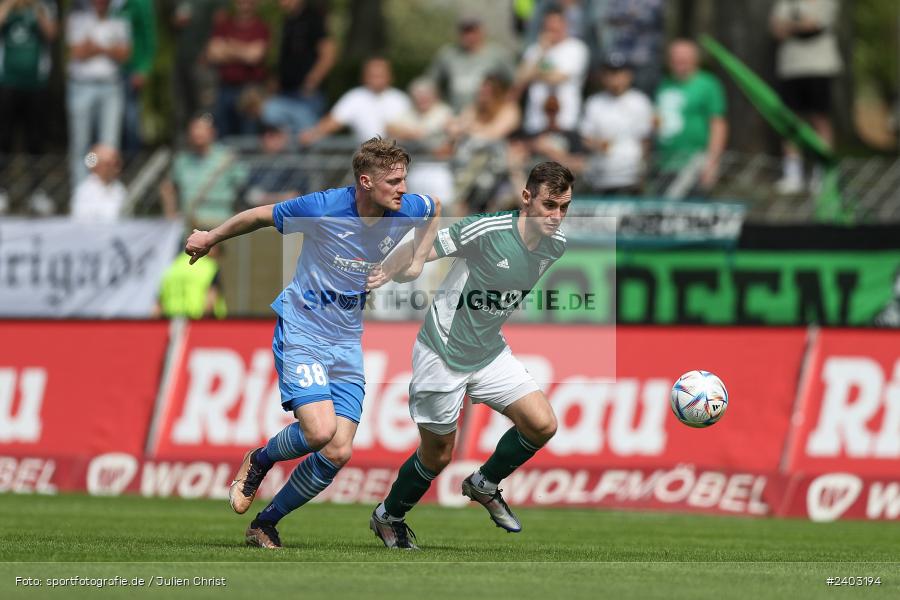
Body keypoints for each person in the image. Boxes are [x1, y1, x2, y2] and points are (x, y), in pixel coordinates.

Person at [184, 137, 441, 549]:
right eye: (393, 181)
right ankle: (260, 460)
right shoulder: (323, 207)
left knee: (339, 451)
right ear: (365, 181)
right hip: (303, 327)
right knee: (320, 431)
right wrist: (211, 237)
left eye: (404, 179)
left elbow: (435, 209)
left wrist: (410, 260)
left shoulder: (407, 207)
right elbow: (259, 216)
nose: (403, 189)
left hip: (346, 339)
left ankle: (265, 523)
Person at [368, 161, 573, 549]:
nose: (556, 217)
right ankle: (388, 515)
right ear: (526, 198)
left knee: (542, 424)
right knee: (437, 456)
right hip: (443, 351)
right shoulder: (487, 229)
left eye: (564, 207)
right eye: (549, 205)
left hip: (489, 352)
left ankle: (484, 483)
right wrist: (383, 272)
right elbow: (422, 248)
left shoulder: (555, 246)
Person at [769, 0, 843, 195]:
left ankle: (824, 173)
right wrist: (799, 24)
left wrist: (791, 25)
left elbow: (814, 25)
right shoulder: (785, 2)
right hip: (790, 69)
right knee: (791, 122)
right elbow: (777, 29)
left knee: (820, 119)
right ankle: (793, 175)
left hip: (820, 67)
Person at [66, 0, 131, 185]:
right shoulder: (79, 18)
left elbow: (124, 53)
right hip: (82, 85)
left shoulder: (119, 20)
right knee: (83, 146)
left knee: (108, 147)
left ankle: (106, 192)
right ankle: (82, 190)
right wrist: (109, 48)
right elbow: (78, 51)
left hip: (111, 86)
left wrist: (97, 47)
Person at [654, 39, 727, 196]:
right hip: (665, 162)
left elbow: (718, 124)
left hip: (695, 162)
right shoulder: (664, 84)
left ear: (695, 59)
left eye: (685, 58)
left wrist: (712, 162)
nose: (679, 61)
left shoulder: (707, 84)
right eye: (675, 57)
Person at [579, 53, 653, 194]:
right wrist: (597, 144)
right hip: (601, 175)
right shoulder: (594, 102)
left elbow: (645, 140)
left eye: (618, 72)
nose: (614, 77)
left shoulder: (640, 101)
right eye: (609, 73)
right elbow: (585, 137)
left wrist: (643, 173)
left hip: (631, 176)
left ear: (628, 75)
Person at [260, 0, 335, 136]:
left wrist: (312, 81)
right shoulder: (286, 21)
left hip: (306, 96)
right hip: (285, 93)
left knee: (307, 137)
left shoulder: (313, 18)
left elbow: (328, 53)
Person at [160, 113, 248, 228]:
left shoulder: (227, 158)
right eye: (194, 128)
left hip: (221, 222)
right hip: (190, 223)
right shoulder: (182, 161)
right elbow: (168, 187)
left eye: (201, 128)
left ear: (213, 131)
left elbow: (243, 188)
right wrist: (170, 214)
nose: (197, 133)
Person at [513, 6, 589, 137]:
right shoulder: (536, 50)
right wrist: (542, 52)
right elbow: (519, 79)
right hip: (535, 122)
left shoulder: (576, 48)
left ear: (565, 25)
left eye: (555, 25)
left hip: (564, 122)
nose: (551, 29)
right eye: (548, 26)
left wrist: (533, 73)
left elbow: (559, 78)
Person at [299, 57, 410, 146]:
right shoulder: (355, 97)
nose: (376, 79)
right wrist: (313, 133)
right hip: (367, 160)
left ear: (389, 76)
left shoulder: (400, 99)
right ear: (364, 77)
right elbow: (334, 120)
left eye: (380, 75)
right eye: (372, 76)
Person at [424, 16, 513, 114]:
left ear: (482, 32)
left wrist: (504, 106)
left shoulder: (497, 54)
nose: (469, 36)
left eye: (473, 31)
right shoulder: (448, 54)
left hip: (486, 118)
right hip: (454, 115)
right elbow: (430, 83)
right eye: (465, 32)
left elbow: (513, 83)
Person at [206, 0, 270, 137]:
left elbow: (254, 56)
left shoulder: (261, 27)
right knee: (223, 134)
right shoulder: (223, 26)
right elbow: (213, 54)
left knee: (248, 134)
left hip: (251, 90)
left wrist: (229, 46)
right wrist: (245, 50)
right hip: (225, 89)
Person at [155, 243, 226, 319]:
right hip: (199, 320)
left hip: (172, 320)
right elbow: (210, 300)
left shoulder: (173, 265)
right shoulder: (209, 267)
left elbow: (159, 301)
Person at [70, 144, 126, 222]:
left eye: (117, 163)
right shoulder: (84, 191)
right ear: (98, 166)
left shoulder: (120, 189)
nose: (116, 169)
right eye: (109, 164)